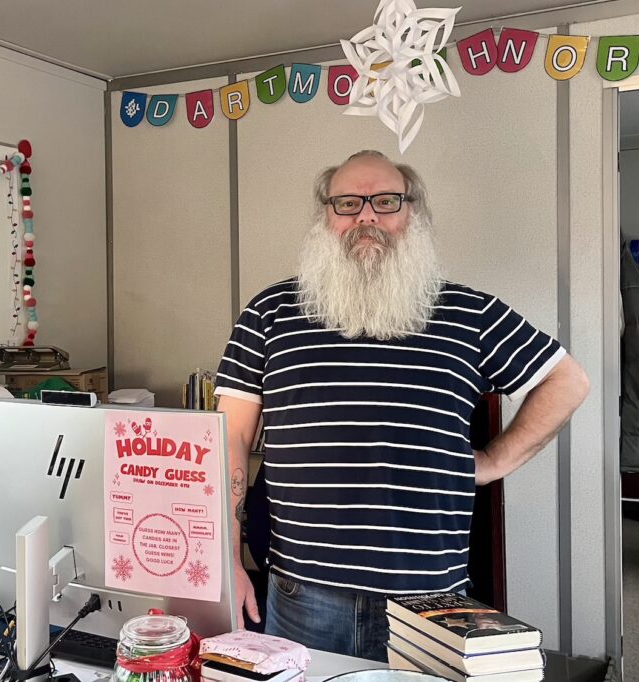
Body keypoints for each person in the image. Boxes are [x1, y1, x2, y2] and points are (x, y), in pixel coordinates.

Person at [214, 150, 589, 661]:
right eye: (347, 202)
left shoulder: (467, 311)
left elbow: (567, 381)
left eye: (386, 201)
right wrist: (227, 560)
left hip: (429, 598)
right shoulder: (269, 311)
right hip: (303, 590)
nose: (366, 216)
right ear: (326, 215)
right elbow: (228, 439)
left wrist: (493, 463)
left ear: (412, 213)